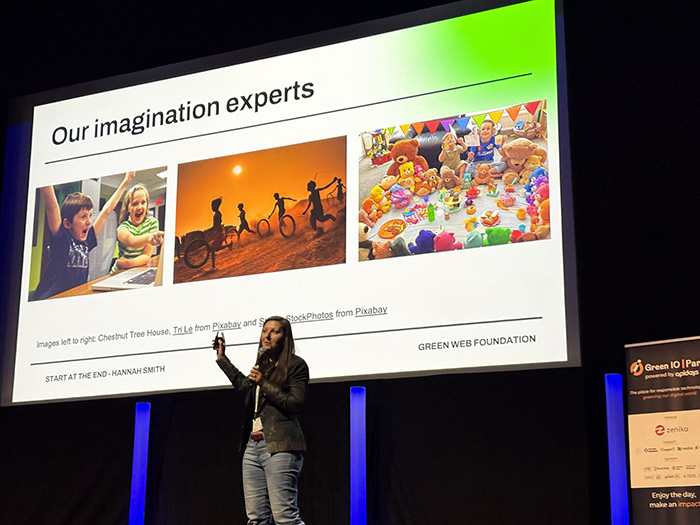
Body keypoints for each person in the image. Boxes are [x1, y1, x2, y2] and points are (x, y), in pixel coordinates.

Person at [214, 316, 308, 525]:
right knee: (256, 519)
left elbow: (294, 403)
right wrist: (223, 360)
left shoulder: (295, 365)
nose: (267, 335)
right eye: (265, 330)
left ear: (285, 337)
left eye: (274, 331)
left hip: (280, 445)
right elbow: (245, 387)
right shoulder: (262, 365)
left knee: (285, 517)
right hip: (252, 445)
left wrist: (264, 383)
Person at [33, 171, 134, 300]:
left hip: (75, 296)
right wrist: (44, 169)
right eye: (83, 217)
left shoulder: (88, 239)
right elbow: (51, 205)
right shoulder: (62, 237)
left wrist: (125, 181)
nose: (89, 221)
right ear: (68, 223)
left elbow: (106, 212)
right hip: (51, 299)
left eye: (90, 215)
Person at [111, 184, 163, 272]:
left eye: (143, 202)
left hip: (135, 270)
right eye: (135, 203)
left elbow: (146, 255)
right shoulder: (122, 227)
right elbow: (132, 241)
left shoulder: (152, 223)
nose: (139, 207)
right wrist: (149, 237)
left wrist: (129, 263)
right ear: (128, 208)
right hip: (119, 272)